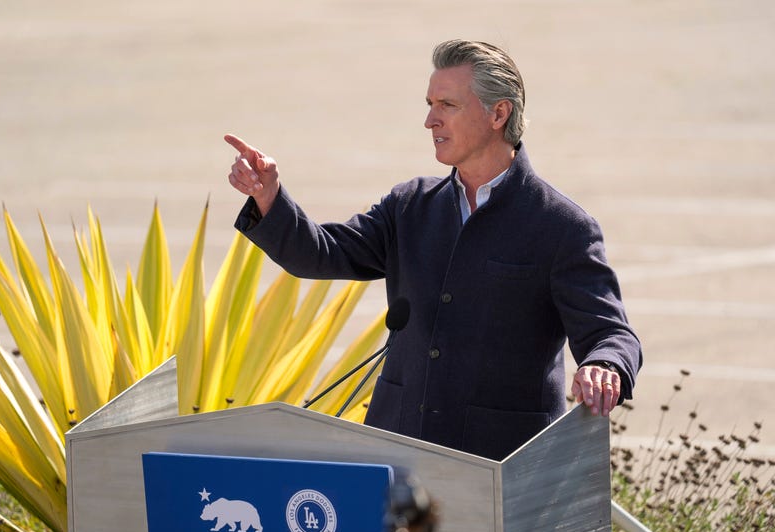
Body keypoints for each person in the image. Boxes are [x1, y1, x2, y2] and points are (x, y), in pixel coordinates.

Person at [226, 39, 642, 461]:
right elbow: (320, 252)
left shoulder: (562, 226)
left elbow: (611, 333)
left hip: (502, 462)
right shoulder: (410, 205)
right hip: (398, 450)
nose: (430, 120)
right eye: (429, 103)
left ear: (499, 113)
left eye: (448, 105)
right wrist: (270, 199)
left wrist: (605, 366)